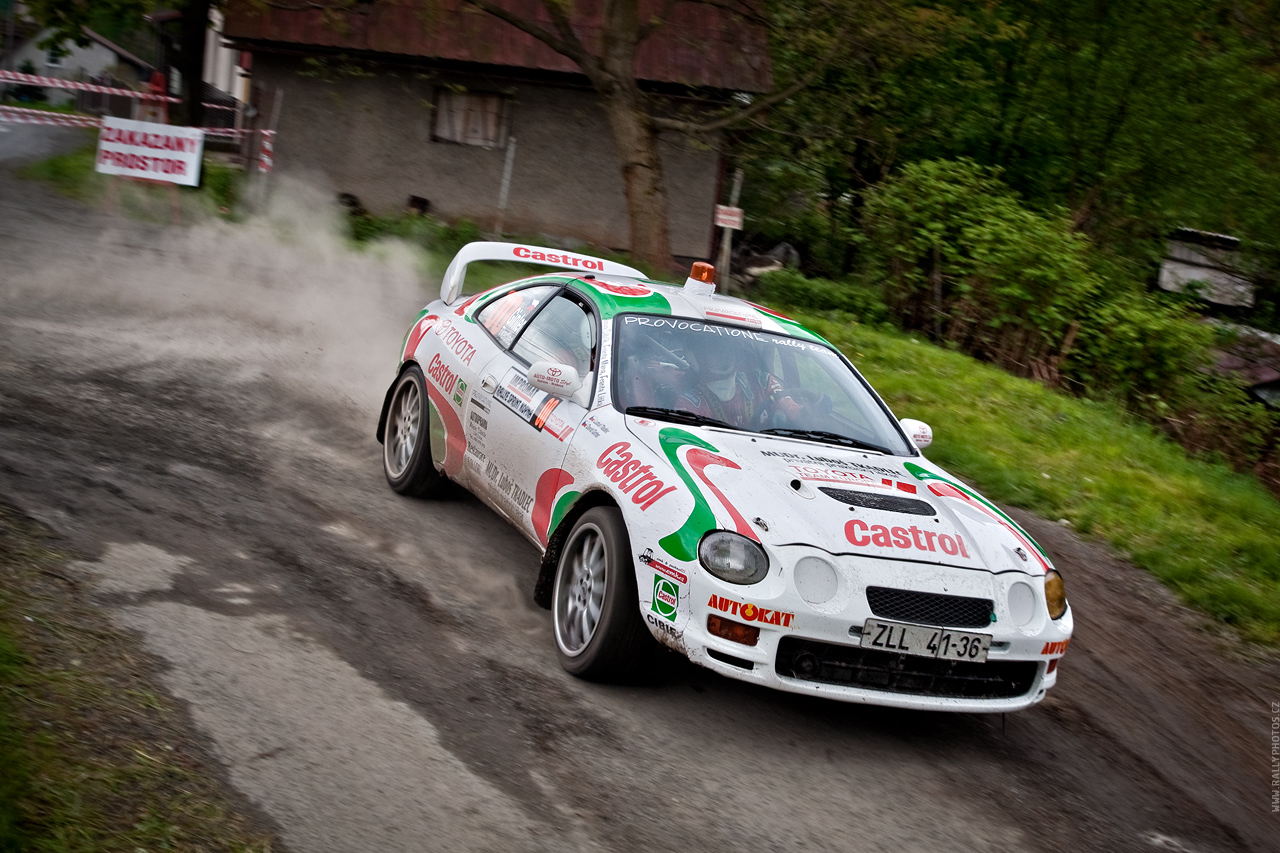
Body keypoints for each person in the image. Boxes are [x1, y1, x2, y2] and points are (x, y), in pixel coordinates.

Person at [675, 334, 804, 429]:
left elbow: (792, 409)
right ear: (698, 356)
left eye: (727, 348)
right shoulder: (689, 402)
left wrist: (810, 411)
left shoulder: (763, 382)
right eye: (714, 349)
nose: (724, 354)